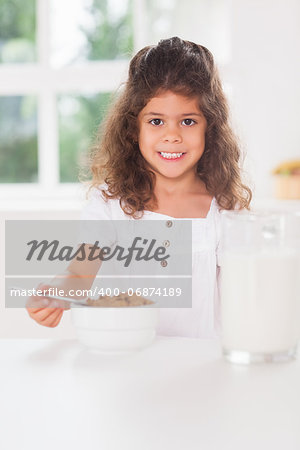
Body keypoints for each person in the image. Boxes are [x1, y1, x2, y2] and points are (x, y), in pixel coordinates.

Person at [27, 36, 252, 337]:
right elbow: (80, 273)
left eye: (187, 121)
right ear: (134, 128)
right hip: (125, 369)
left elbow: (244, 300)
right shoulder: (109, 205)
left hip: (200, 372)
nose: (172, 136)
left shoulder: (225, 210)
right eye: (156, 122)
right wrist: (55, 293)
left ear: (209, 127)